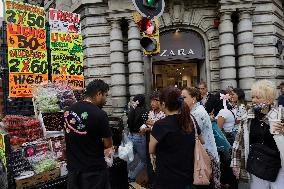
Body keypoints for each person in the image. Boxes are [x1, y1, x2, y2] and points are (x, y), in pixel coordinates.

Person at [231, 80, 284, 189]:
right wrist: (235, 164)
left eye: (258, 97)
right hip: (256, 165)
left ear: (269, 99)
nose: (254, 100)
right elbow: (239, 141)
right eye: (253, 97)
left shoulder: (280, 114)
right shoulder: (248, 116)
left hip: (278, 166)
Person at [149, 86, 204, 189]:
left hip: (166, 179)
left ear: (164, 104)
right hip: (188, 177)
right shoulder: (190, 121)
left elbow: (151, 149)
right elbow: (202, 141)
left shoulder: (160, 125)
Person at [64, 79, 113, 189]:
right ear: (99, 93)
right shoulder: (100, 114)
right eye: (105, 95)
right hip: (94, 173)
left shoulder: (68, 111)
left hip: (73, 172)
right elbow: (108, 144)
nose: (106, 100)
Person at [182, 87, 220, 189]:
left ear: (193, 98)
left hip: (204, 156)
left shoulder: (197, 113)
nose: (182, 100)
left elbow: (191, 136)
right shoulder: (195, 110)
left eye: (184, 97)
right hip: (204, 153)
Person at [214, 90, 237, 189]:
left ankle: (229, 184)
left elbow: (218, 130)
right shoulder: (228, 109)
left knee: (226, 165)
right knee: (229, 165)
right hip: (230, 139)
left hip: (225, 140)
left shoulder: (223, 112)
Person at [127, 94, 148, 182]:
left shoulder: (132, 110)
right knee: (143, 161)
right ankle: (132, 176)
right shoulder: (144, 111)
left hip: (130, 136)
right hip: (139, 136)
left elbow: (129, 123)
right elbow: (147, 122)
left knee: (129, 158)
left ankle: (126, 174)